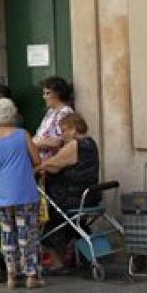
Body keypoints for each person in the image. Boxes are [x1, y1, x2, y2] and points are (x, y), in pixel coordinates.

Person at [0, 98, 43, 290]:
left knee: (7, 233)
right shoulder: (22, 135)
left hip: (2, 193)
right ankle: (31, 276)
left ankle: (11, 275)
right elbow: (36, 160)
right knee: (27, 234)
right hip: (24, 191)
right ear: (14, 113)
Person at [37, 113, 99, 273]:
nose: (62, 134)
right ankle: (84, 255)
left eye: (65, 130)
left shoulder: (74, 145)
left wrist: (37, 168)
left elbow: (54, 163)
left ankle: (57, 262)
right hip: (89, 196)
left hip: (72, 197)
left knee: (50, 219)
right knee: (75, 224)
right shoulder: (91, 143)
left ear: (74, 128)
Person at [33, 76, 74, 161]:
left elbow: (58, 141)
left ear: (58, 94)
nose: (44, 97)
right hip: (42, 161)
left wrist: (33, 143)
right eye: (44, 93)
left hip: (53, 163)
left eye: (47, 93)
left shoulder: (64, 113)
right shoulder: (51, 111)